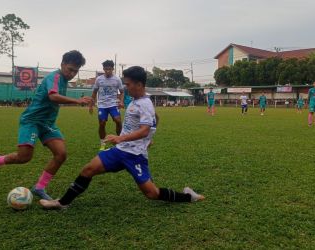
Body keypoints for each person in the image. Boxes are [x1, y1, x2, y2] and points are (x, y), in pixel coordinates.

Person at [39, 66, 205, 210]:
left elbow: (145, 129)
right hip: (120, 151)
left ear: (139, 84)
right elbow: (156, 118)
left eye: (128, 84)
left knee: (151, 193)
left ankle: (188, 196)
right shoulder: (136, 100)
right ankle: (62, 203)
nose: (125, 87)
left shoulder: (144, 103)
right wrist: (147, 137)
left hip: (135, 156)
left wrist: (123, 138)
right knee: (88, 169)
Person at [0, 50, 92, 200]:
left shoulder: (64, 80)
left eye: (75, 71)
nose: (72, 74)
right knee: (24, 157)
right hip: (32, 120)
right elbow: (53, 96)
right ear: (62, 64)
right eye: (70, 69)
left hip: (47, 123)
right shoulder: (55, 77)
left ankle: (39, 188)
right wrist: (77, 101)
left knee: (61, 154)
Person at [89, 60, 124, 151]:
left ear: (113, 68)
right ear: (103, 69)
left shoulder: (117, 79)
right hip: (102, 105)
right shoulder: (99, 79)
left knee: (118, 121)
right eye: (106, 69)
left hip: (113, 104)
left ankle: (119, 142)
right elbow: (94, 92)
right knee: (102, 123)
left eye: (109, 69)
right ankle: (103, 143)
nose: (108, 71)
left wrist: (121, 101)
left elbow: (122, 92)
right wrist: (91, 105)